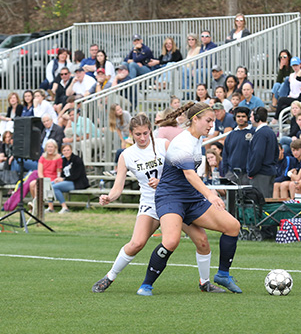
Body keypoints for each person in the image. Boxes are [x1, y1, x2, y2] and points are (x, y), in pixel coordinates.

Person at [92, 114, 222, 293]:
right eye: (138, 134)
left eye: (146, 133)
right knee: (136, 243)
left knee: (202, 240)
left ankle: (205, 282)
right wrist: (109, 197)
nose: (143, 138)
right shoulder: (126, 155)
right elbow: (117, 187)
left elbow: (181, 173)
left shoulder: (164, 145)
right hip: (150, 203)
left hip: (174, 200)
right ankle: (109, 277)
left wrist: (162, 181)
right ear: (131, 134)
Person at [136, 102, 242, 296]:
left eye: (214, 121)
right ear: (195, 119)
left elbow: (191, 177)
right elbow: (189, 175)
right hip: (170, 197)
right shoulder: (183, 141)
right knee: (171, 241)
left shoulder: (196, 140)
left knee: (231, 227)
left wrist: (205, 193)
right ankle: (146, 285)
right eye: (208, 120)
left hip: (190, 197)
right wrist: (209, 194)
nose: (212, 125)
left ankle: (221, 276)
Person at [246, 106, 279, 198]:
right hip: (269, 171)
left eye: (252, 116)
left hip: (261, 174)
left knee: (261, 203)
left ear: (257, 118)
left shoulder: (261, 133)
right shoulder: (270, 132)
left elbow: (258, 154)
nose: (250, 119)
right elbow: (276, 153)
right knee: (267, 201)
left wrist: (252, 171)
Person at [51, 143, 89, 213]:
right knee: (50, 185)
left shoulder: (77, 160)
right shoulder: (63, 160)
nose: (66, 152)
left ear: (71, 150)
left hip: (77, 182)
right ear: (62, 152)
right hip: (68, 181)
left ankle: (64, 207)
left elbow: (76, 175)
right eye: (64, 150)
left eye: (68, 150)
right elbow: (63, 174)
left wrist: (63, 179)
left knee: (54, 187)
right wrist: (59, 179)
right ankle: (50, 207)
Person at [221, 106, 252, 184]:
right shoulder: (231, 135)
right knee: (231, 196)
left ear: (248, 118)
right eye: (238, 116)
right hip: (231, 174)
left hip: (248, 174)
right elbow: (225, 154)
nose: (240, 118)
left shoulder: (253, 132)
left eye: (243, 116)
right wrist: (226, 172)